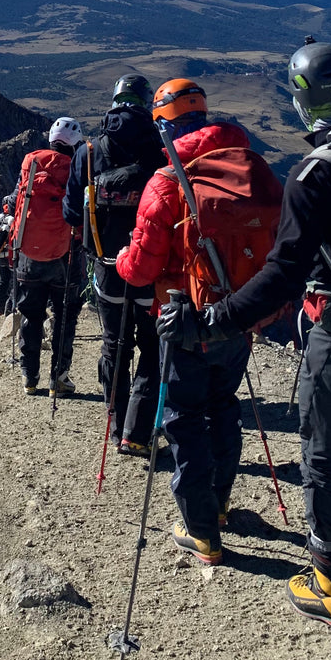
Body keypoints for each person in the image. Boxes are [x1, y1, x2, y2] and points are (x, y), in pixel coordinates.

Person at [158, 40, 331, 633]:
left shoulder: (317, 174)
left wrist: (212, 319)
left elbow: (284, 275)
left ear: (301, 100)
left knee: (322, 453)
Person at [116, 80, 266, 565]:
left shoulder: (168, 181)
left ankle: (201, 531)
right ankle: (220, 504)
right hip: (241, 315)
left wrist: (120, 260)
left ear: (164, 124)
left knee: (183, 420)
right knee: (224, 407)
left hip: (184, 321)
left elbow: (139, 268)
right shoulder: (251, 168)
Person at [63, 74, 165, 455]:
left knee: (114, 346)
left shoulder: (88, 151)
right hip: (151, 269)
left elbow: (72, 212)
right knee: (152, 348)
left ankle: (116, 424)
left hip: (106, 267)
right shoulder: (159, 147)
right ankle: (137, 433)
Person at [10, 117, 86, 396]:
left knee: (31, 315)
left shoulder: (31, 163)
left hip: (28, 253)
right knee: (65, 316)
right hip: (66, 255)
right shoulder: (78, 167)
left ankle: (30, 377)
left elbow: (15, 199)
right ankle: (59, 379)